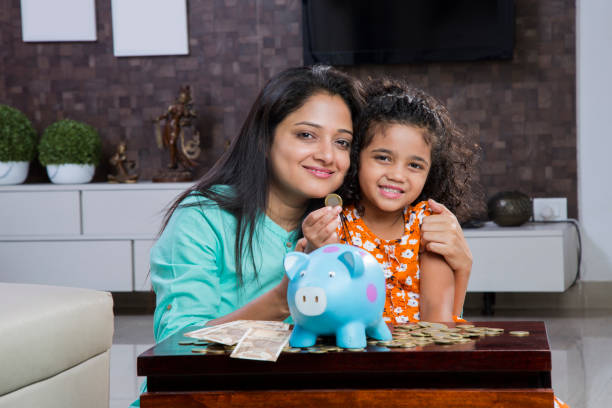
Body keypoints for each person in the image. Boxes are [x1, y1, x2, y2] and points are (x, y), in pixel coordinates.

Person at [131, 66, 474, 406]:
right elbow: (177, 346)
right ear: (265, 137)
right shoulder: (203, 217)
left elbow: (421, 325)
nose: (327, 155)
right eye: (306, 135)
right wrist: (282, 298)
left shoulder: (344, 226)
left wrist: (460, 269)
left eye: (342, 142)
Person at [300, 78, 481, 323]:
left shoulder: (427, 226)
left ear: (431, 172)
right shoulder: (334, 225)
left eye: (415, 165)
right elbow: (315, 308)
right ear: (356, 157)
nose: (397, 176)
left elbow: (438, 319)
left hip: (418, 357)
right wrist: (313, 251)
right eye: (383, 158)